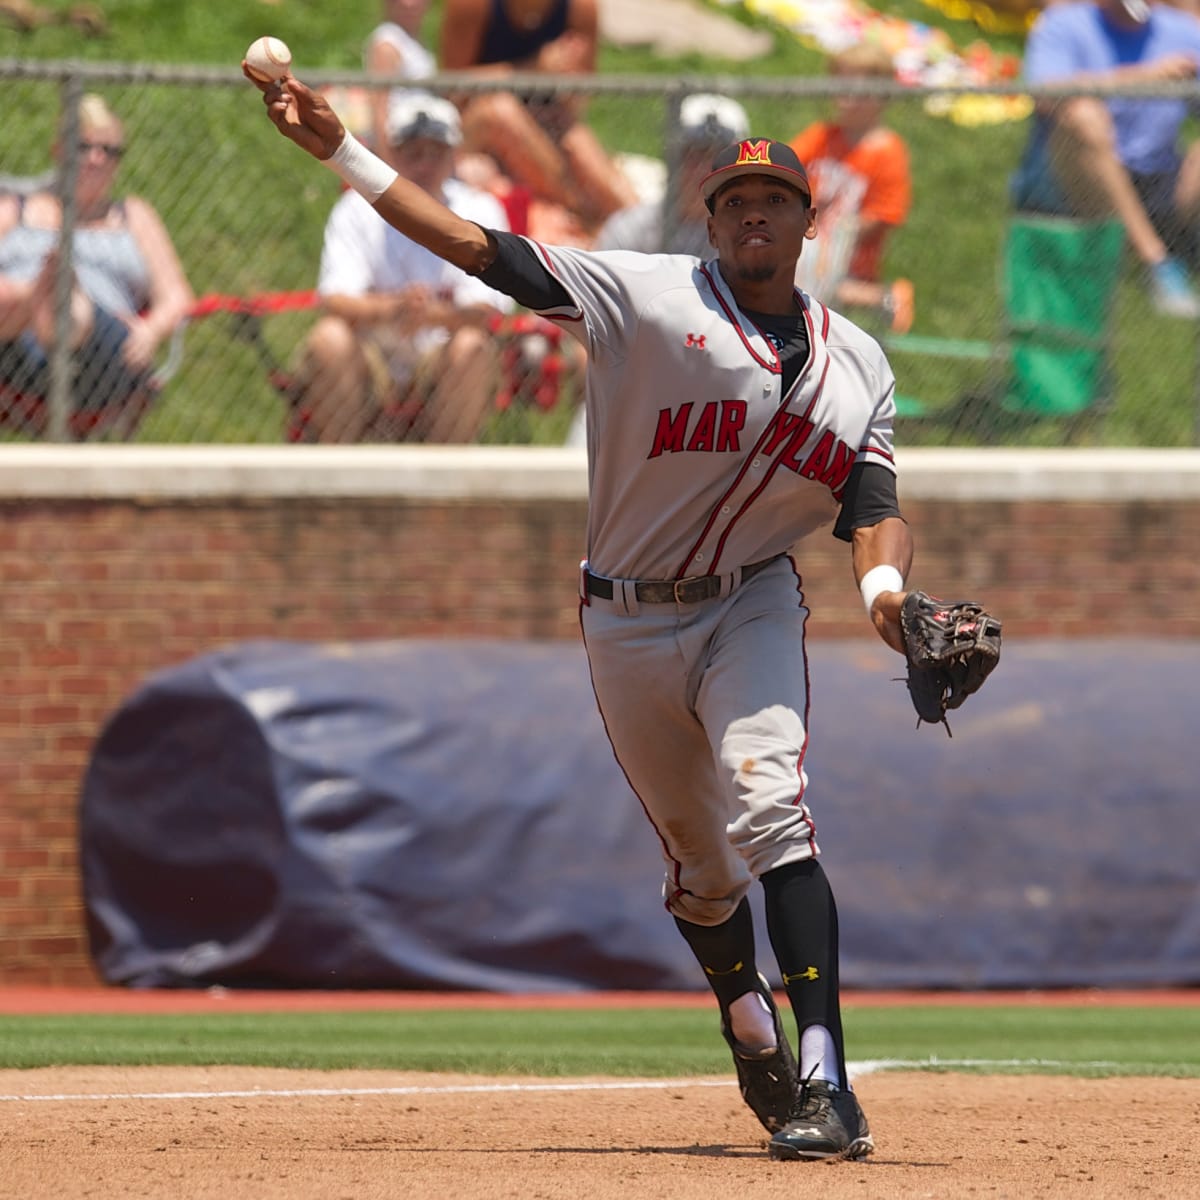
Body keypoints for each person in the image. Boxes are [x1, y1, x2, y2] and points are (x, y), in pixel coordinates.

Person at [246, 65, 950, 1162]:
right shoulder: (646, 295)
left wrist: (887, 594)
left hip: (752, 603)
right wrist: (345, 151)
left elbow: (874, 504)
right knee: (699, 866)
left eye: (774, 201)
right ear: (711, 221)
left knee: (774, 812)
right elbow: (479, 248)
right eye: (733, 202)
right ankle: (745, 1018)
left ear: (809, 225)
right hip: (624, 616)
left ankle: (827, 1082)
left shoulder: (862, 364)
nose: (753, 214)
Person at [292, 92, 514, 443]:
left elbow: (489, 309)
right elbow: (334, 299)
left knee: (472, 345)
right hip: (371, 355)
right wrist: (393, 309)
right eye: (413, 152)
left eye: (436, 152)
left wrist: (430, 315)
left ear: (453, 156)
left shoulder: (480, 210)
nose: (424, 164)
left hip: (441, 355)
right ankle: (341, 479)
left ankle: (446, 487)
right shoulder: (357, 208)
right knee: (329, 339)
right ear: (390, 154)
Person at [0, 93, 193, 437]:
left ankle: (60, 296)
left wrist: (151, 331)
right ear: (58, 150)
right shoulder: (16, 210)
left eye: (110, 151)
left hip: (104, 356)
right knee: (11, 296)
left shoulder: (134, 216)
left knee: (76, 309)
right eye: (83, 146)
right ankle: (42, 295)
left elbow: (177, 296)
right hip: (13, 355)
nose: (96, 159)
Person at [1011, 0, 1200, 318]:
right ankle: (1156, 262)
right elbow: (1045, 94)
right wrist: (1143, 77)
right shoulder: (1063, 25)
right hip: (1075, 182)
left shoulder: (1183, 33)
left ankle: (1178, 247)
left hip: (1158, 177)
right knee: (1081, 115)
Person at [438, 0, 637, 232]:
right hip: (476, 124)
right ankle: (578, 210)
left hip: (546, 116)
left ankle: (649, 227)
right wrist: (532, 69)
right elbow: (451, 89)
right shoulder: (473, 6)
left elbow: (579, 101)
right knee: (501, 111)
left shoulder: (580, 8)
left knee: (580, 145)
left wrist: (568, 78)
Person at [788, 42, 914, 334]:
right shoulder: (823, 136)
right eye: (839, 88)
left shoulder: (887, 151)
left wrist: (837, 233)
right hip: (809, 239)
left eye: (854, 91)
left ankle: (883, 297)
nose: (843, 100)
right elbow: (785, 166)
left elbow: (886, 213)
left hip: (849, 253)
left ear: (880, 95)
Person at [594, 93, 750, 257]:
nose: (705, 168)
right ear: (673, 158)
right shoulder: (632, 229)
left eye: (720, 156)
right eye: (694, 154)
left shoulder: (752, 234)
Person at [364, 0, 437, 153]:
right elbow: (379, 108)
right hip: (401, 146)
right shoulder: (387, 43)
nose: (408, 4)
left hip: (422, 141)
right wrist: (388, 166)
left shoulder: (416, 42)